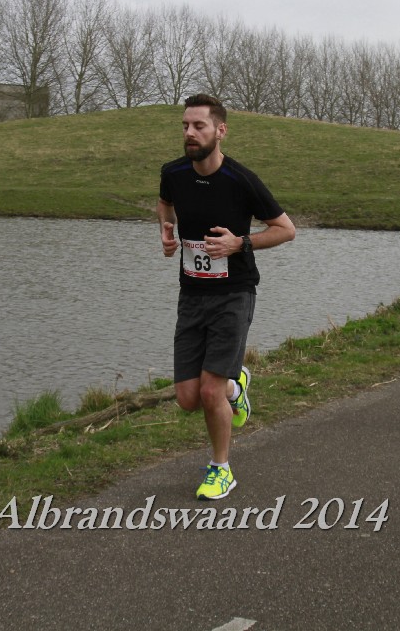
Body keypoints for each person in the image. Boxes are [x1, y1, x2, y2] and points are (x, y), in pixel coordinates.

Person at [158, 94, 296, 499]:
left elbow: (286, 229)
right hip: (191, 294)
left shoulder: (241, 180)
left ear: (220, 131)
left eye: (198, 126)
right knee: (187, 398)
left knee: (209, 392)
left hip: (234, 293)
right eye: (185, 126)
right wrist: (166, 229)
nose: (189, 132)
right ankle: (237, 387)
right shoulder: (173, 172)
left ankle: (221, 469)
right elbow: (165, 204)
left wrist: (240, 243)